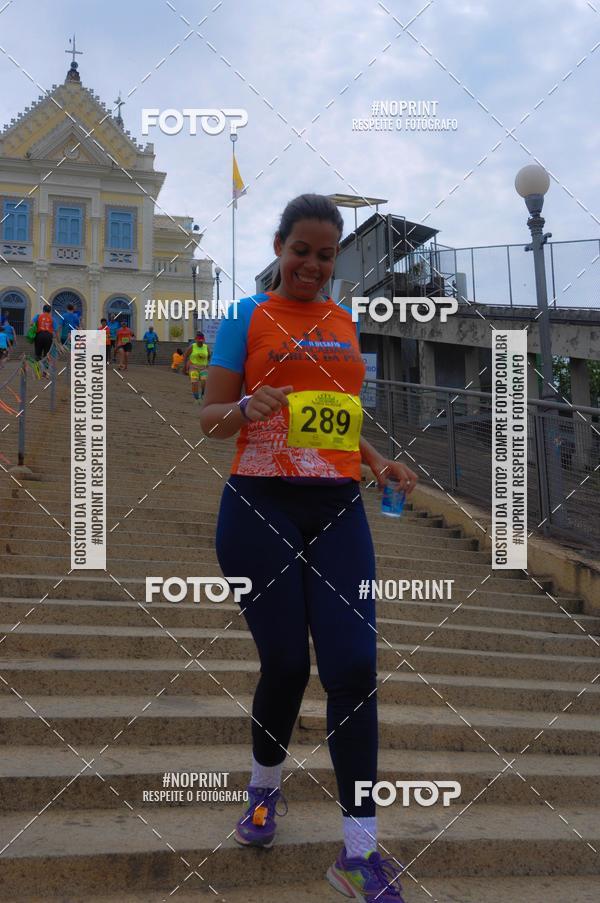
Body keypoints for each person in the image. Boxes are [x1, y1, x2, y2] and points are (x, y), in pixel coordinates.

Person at [200, 194, 418, 902]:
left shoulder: (343, 320)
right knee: (289, 664)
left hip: (337, 504)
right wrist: (242, 409)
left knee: (353, 664)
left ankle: (358, 852)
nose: (312, 265)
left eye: (326, 255)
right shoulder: (246, 317)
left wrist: (376, 461)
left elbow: (334, 417)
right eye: (301, 250)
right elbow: (210, 418)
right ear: (278, 245)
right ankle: (264, 789)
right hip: (258, 503)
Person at [183, 332, 210, 402]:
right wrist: (185, 366)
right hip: (193, 367)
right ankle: (197, 397)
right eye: (198, 340)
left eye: (201, 340)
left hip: (204, 367)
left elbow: (209, 356)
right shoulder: (192, 346)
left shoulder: (206, 347)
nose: (200, 342)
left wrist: (208, 364)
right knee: (195, 382)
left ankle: (203, 393)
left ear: (203, 340)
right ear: (196, 340)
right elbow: (185, 355)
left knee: (204, 381)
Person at [31, 304, 55, 377]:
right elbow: (56, 330)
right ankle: (45, 372)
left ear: (43, 310)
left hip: (39, 335)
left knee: (37, 354)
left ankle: (37, 371)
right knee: (47, 354)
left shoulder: (38, 316)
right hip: (48, 336)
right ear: (50, 311)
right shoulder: (52, 318)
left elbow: (31, 323)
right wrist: (57, 340)